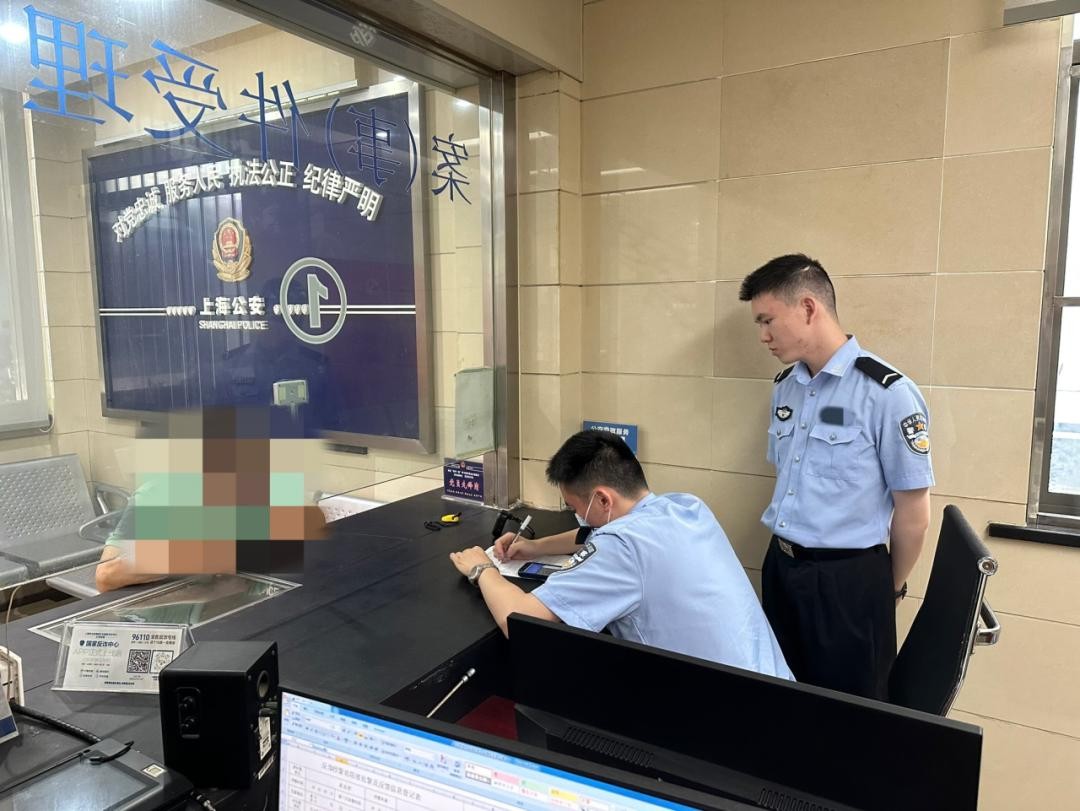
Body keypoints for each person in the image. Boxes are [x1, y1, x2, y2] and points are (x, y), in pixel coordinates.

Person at [738, 253, 933, 699]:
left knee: (850, 712)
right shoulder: (785, 387)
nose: (763, 336)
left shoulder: (888, 394)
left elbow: (914, 513)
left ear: (808, 308)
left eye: (768, 320)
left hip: (849, 582)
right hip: (782, 568)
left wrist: (886, 588)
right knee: (782, 695)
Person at [449, 430, 793, 680]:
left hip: (726, 719)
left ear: (602, 499)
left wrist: (482, 569)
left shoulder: (621, 548)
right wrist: (535, 547)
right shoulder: (685, 507)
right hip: (776, 688)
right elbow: (599, 534)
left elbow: (521, 620)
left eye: (574, 507)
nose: (577, 516)